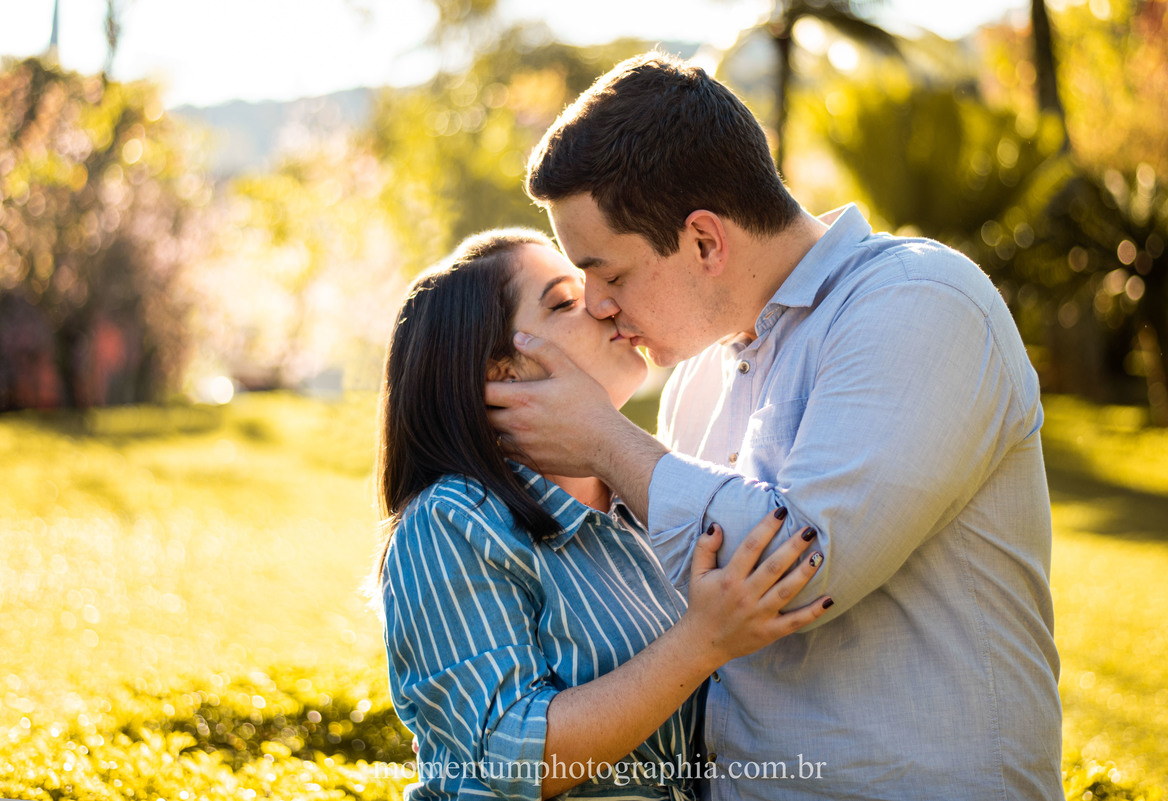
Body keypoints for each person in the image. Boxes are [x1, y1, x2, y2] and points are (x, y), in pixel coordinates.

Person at [486, 53, 1065, 800]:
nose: (596, 303)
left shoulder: (918, 302)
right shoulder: (696, 379)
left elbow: (797, 573)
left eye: (612, 274)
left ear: (704, 240)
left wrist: (603, 438)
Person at [373, 228, 834, 801]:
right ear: (502, 373)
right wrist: (702, 642)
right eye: (565, 302)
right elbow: (507, 755)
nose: (604, 305)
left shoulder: (642, 510)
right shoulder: (454, 522)